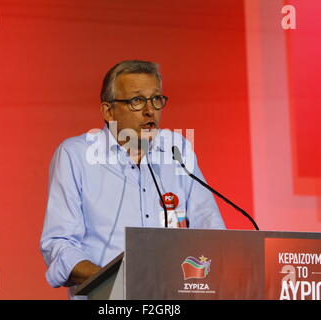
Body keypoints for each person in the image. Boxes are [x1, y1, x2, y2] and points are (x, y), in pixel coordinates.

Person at [40, 60, 225, 297]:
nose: (150, 110)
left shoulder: (177, 150)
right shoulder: (76, 156)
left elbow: (212, 231)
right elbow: (59, 244)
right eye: (137, 101)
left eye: (156, 99)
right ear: (108, 111)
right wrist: (116, 281)